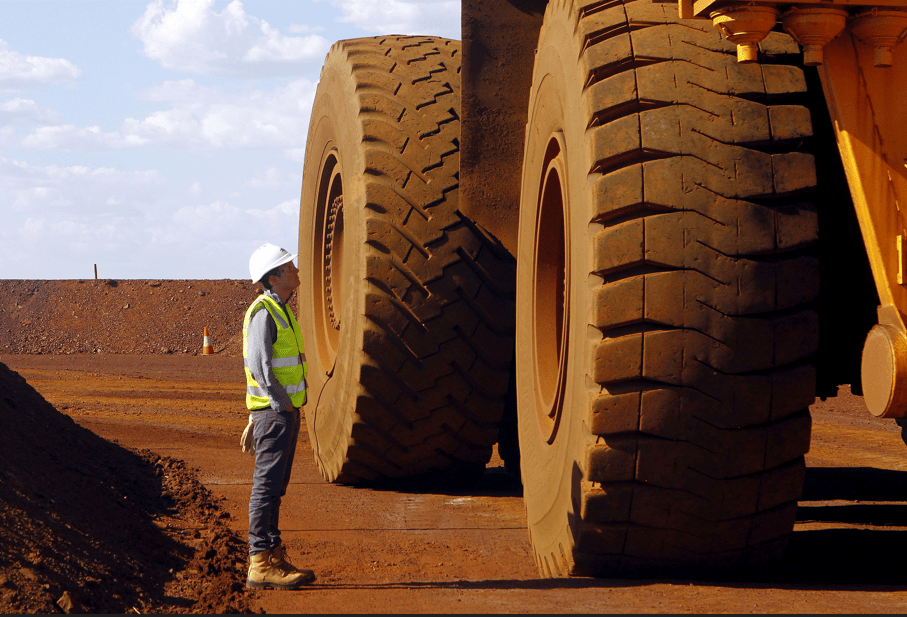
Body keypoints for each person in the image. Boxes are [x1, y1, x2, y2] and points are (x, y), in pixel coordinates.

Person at [241, 242, 315, 590]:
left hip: (282, 412)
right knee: (266, 489)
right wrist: (278, 402)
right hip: (276, 414)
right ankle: (259, 562)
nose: (296, 271)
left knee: (275, 489)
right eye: (290, 267)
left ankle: (273, 556)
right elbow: (259, 365)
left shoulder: (281, 309)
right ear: (274, 276)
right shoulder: (264, 311)